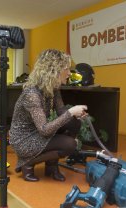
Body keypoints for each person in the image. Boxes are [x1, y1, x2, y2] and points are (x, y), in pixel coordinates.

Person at [9, 49, 87, 182]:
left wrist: (75, 115)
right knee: (70, 145)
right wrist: (70, 112)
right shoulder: (32, 95)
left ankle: (51, 166)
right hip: (24, 140)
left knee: (74, 123)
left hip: (39, 133)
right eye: (66, 69)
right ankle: (27, 163)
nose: (69, 73)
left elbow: (62, 111)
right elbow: (44, 130)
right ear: (53, 70)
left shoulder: (53, 87)